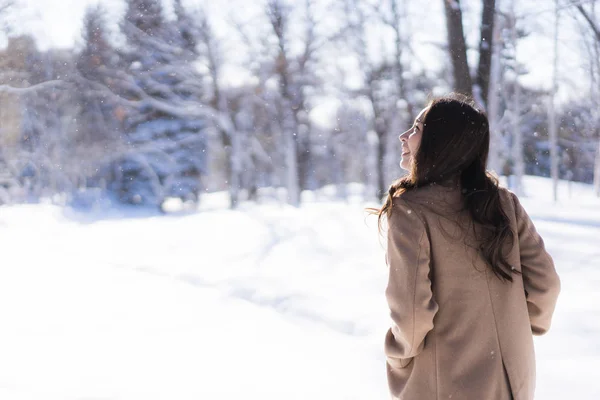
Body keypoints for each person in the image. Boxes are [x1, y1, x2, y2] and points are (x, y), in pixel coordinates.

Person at [366, 94, 561, 400]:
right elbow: (546, 285)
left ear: (441, 140)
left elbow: (412, 315)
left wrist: (398, 354)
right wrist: (516, 329)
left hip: (447, 383)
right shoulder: (503, 203)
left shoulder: (410, 210)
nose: (404, 136)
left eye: (417, 128)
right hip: (514, 381)